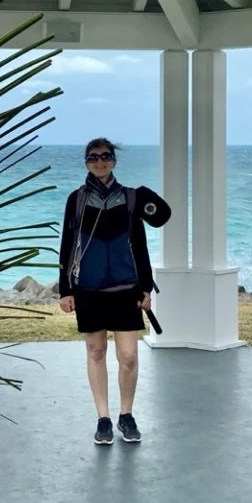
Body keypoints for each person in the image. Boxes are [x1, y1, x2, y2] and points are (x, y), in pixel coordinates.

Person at [58, 138, 171, 445]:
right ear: (85, 162)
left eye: (106, 156)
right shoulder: (77, 199)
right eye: (93, 157)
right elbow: (68, 246)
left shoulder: (131, 198)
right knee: (96, 352)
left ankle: (126, 415)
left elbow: (152, 231)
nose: (100, 161)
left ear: (114, 161)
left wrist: (145, 288)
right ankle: (103, 418)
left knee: (129, 356)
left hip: (125, 288)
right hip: (89, 289)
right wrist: (65, 290)